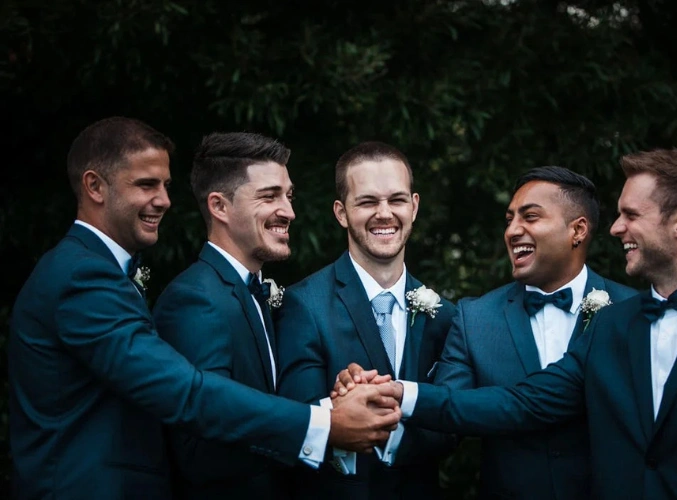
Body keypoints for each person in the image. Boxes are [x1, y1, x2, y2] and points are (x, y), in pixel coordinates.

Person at [346, 149, 677, 499]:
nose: (617, 228)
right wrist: (398, 392)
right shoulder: (613, 327)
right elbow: (523, 403)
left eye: (631, 215)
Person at [7, 117, 401, 500]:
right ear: (94, 186)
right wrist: (326, 424)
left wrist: (332, 403)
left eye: (165, 185)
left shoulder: (106, 273)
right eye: (147, 185)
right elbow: (187, 394)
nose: (163, 200)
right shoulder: (86, 276)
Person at [432, 166, 635, 499]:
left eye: (530, 217)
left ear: (578, 230)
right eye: (509, 219)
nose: (513, 231)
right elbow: (446, 416)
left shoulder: (630, 311)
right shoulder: (475, 317)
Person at [275, 141, 457, 499]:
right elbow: (295, 418)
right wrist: (339, 406)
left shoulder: (444, 315)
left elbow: (453, 422)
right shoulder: (303, 304)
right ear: (342, 213)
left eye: (397, 200)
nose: (384, 213)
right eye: (368, 201)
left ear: (415, 206)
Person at [152, 132, 301, 498]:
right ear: (219, 207)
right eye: (269, 196)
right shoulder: (194, 300)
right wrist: (317, 431)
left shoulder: (259, 293)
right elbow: (201, 451)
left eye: (288, 195)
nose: (289, 211)